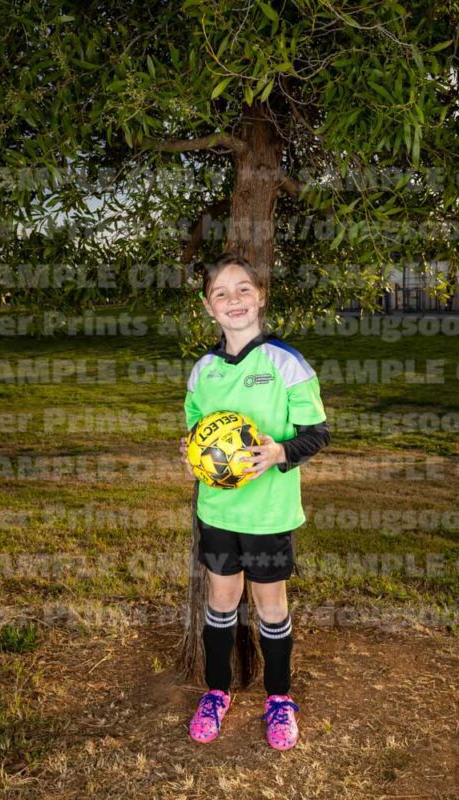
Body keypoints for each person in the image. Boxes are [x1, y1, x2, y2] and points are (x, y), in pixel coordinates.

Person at [179, 252, 330, 750]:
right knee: (221, 602)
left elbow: (317, 433)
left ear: (260, 296)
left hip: (268, 513)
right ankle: (216, 692)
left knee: (270, 605)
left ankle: (279, 698)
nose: (234, 300)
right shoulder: (203, 370)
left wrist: (279, 452)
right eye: (221, 293)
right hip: (218, 511)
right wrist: (192, 452)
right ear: (209, 307)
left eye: (243, 289)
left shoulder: (286, 362)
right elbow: (196, 432)